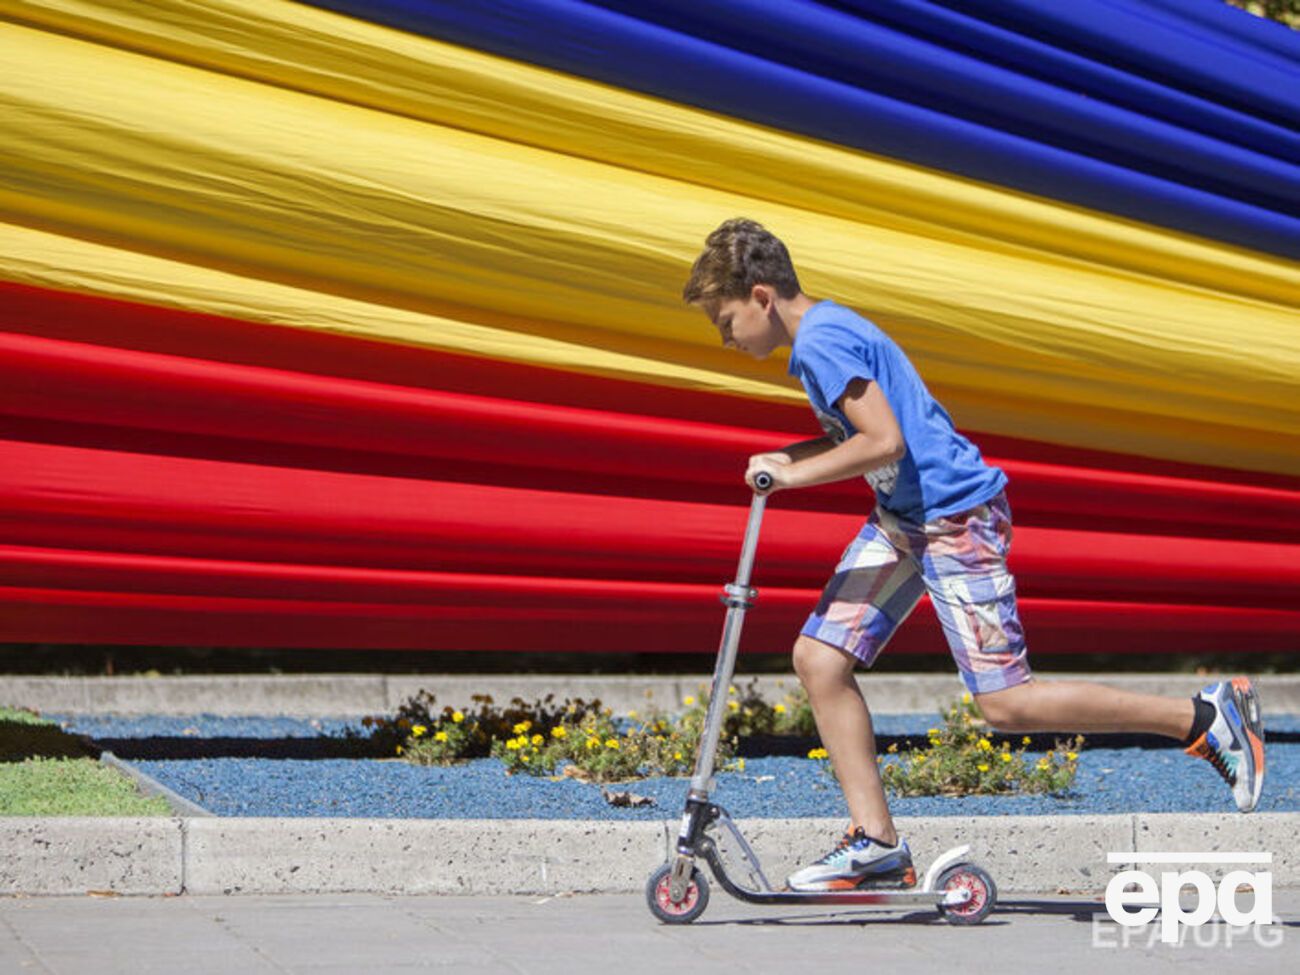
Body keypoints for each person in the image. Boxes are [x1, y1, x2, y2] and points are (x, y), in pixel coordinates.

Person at [681, 218, 1266, 892]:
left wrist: (790, 475)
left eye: (726, 321)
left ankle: (1204, 716)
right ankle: (875, 842)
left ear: (760, 296)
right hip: (905, 519)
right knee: (819, 657)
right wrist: (787, 457)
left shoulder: (821, 340)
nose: (726, 338)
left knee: (1008, 704)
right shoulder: (824, 329)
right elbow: (865, 436)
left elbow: (883, 441)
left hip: (953, 518)